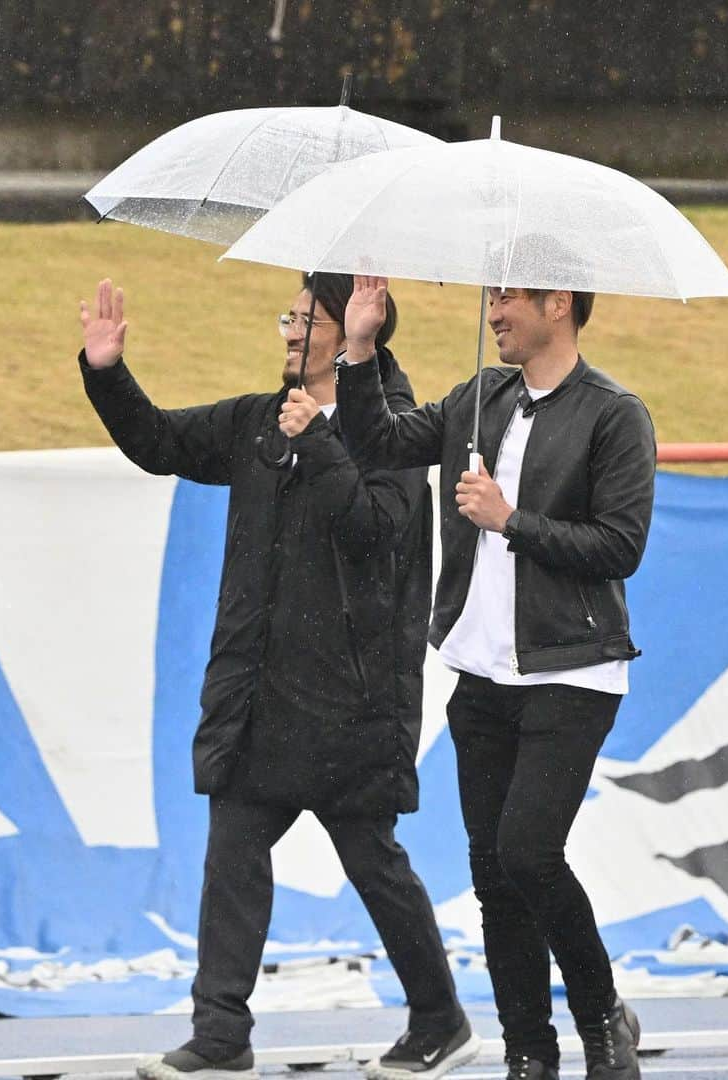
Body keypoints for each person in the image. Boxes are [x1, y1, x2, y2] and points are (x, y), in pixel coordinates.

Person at [78, 273, 479, 1080]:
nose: (289, 330)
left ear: (349, 333)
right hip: (261, 693)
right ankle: (220, 1033)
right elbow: (159, 443)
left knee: (375, 864)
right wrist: (107, 372)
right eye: (289, 315)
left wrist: (322, 443)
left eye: (306, 317)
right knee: (233, 854)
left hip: (352, 703)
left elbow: (377, 532)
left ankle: (440, 1019)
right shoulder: (261, 419)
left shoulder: (396, 429)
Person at [280, 274, 656, 1080]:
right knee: (492, 874)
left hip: (571, 672)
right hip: (480, 674)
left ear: (560, 305)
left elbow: (620, 546)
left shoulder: (615, 415)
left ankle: (601, 1020)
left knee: (529, 853)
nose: (493, 314)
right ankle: (528, 1051)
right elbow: (379, 441)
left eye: (509, 299)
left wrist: (509, 520)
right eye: (490, 298)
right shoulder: (477, 395)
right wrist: (361, 347)